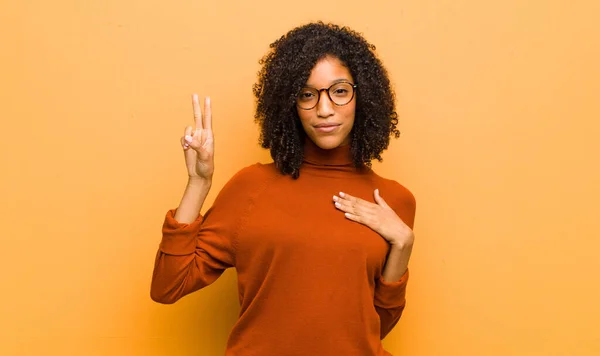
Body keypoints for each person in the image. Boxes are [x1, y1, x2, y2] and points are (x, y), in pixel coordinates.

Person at [150, 22, 417, 356]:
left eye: (339, 91)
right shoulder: (251, 188)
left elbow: (373, 326)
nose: (324, 108)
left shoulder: (393, 201)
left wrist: (403, 244)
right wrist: (199, 182)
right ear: (289, 104)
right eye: (307, 94)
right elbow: (168, 285)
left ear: (361, 97)